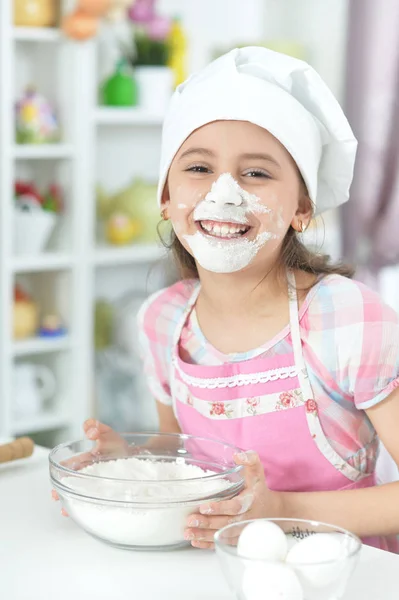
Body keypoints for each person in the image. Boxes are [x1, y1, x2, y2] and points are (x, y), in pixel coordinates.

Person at [57, 47, 399, 552]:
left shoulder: (345, 318)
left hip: (343, 573)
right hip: (219, 570)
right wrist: (128, 458)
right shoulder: (164, 320)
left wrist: (280, 510)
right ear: (166, 197)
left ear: (302, 207)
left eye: (256, 173)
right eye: (198, 168)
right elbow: (191, 458)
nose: (224, 193)